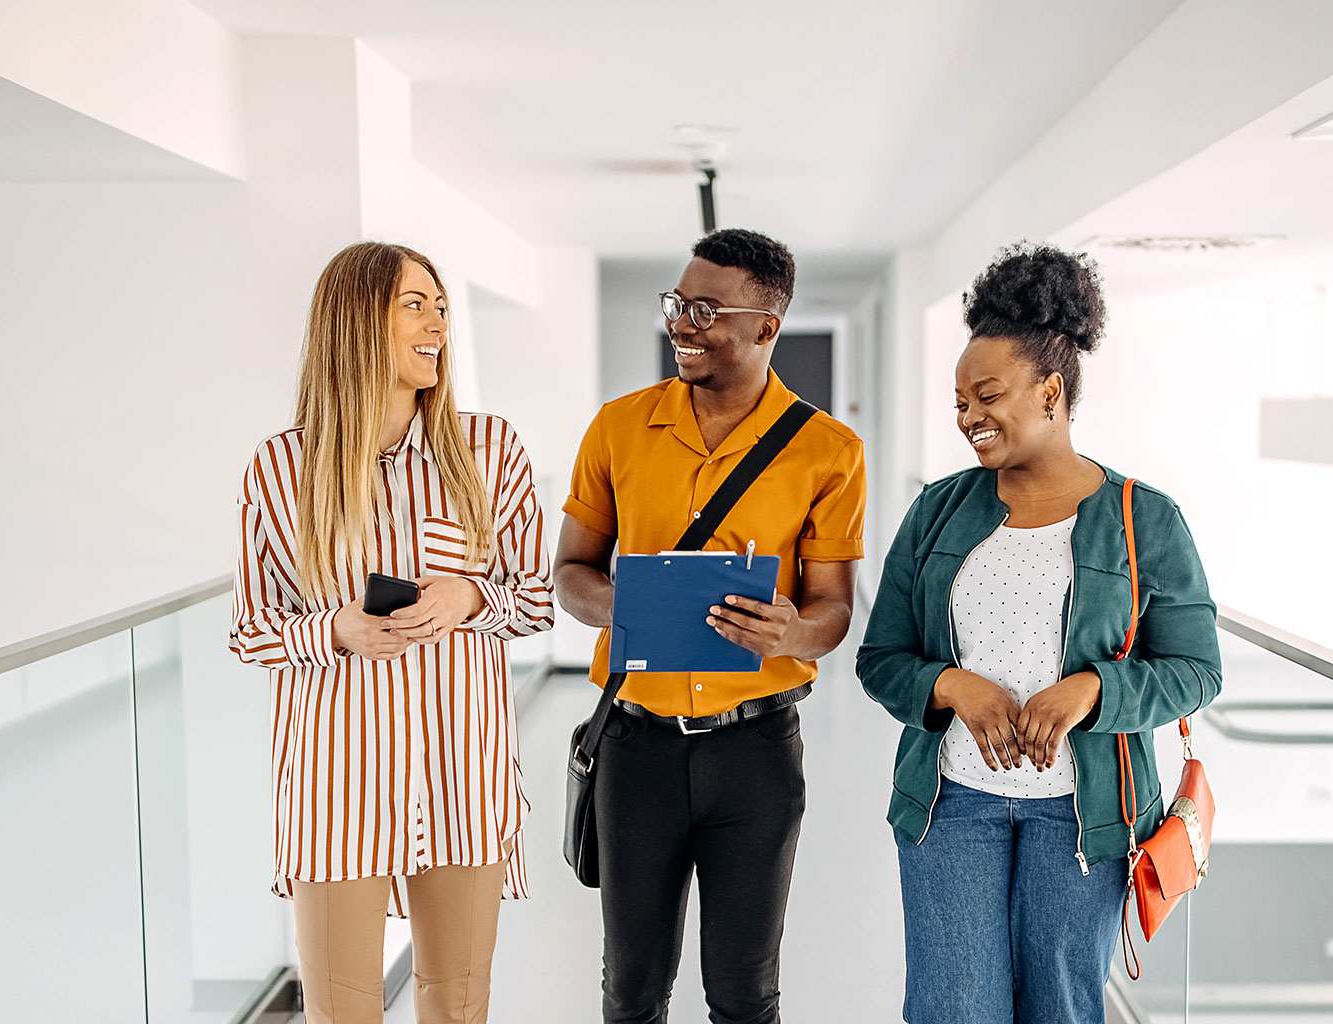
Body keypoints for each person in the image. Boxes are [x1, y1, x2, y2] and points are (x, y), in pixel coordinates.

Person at [857, 243, 1222, 1024]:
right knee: (952, 1009)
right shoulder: (938, 511)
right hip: (949, 806)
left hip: (1083, 818)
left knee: (1061, 1007)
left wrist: (1094, 690)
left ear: (1051, 391)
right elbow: (880, 658)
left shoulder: (1145, 520)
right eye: (958, 402)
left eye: (986, 396)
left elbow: (1197, 670)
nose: (967, 418)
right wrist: (950, 686)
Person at [229, 241, 553, 1024]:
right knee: (341, 1013)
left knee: (458, 1007)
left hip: (461, 777)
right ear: (355, 320)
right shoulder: (280, 469)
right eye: (416, 304)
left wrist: (468, 598)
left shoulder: (490, 451)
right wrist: (334, 628)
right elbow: (251, 630)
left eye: (441, 307)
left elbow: (536, 599)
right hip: (336, 787)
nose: (438, 323)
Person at [552, 228, 868, 1024]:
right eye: (676, 303)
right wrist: (635, 606)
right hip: (635, 746)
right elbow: (570, 575)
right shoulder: (619, 427)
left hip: (755, 753)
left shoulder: (830, 453)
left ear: (766, 326)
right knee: (630, 992)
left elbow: (834, 610)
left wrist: (792, 633)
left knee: (743, 995)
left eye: (703, 309)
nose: (681, 324)